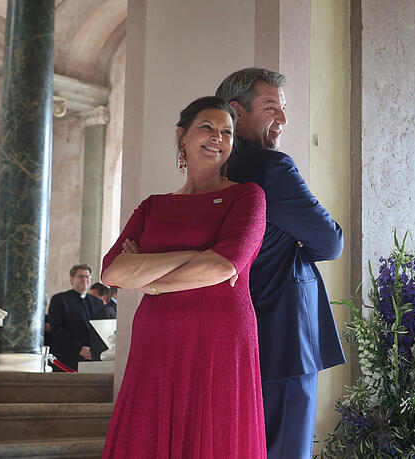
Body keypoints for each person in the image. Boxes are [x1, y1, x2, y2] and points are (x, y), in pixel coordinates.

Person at [100, 96, 267, 457]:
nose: (218, 137)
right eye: (207, 127)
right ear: (182, 136)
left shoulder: (248, 197)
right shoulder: (153, 206)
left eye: (227, 131)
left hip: (220, 337)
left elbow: (223, 267)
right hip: (157, 337)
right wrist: (191, 255)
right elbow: (113, 271)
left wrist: (150, 281)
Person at [216, 68, 345, 458]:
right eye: (271, 106)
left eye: (283, 107)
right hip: (286, 336)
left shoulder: (212, 170)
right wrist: (299, 243)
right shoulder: (272, 168)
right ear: (237, 112)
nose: (283, 118)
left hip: (228, 335)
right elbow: (330, 241)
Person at [47, 264, 106, 371]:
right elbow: (57, 329)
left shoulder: (97, 302)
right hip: (68, 356)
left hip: (92, 357)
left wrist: (96, 350)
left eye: (87, 277)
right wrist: (79, 349)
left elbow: (101, 328)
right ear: (72, 279)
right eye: (81, 276)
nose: (85, 279)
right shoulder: (60, 300)